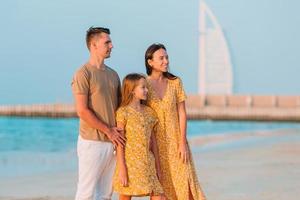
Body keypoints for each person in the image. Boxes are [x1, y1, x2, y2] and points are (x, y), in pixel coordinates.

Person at [144, 43, 206, 200]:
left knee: (188, 185)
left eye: (167, 57)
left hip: (177, 143)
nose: (166, 61)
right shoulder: (143, 85)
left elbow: (182, 113)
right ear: (150, 62)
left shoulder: (175, 82)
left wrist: (182, 142)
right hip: (155, 145)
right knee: (160, 189)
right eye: (161, 58)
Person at [71, 26, 126, 200]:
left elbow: (120, 109)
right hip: (91, 142)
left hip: (112, 143)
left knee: (105, 194)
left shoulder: (113, 75)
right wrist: (108, 130)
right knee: (86, 193)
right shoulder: (83, 73)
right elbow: (82, 110)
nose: (112, 46)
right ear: (93, 45)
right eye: (107, 42)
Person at [113, 73, 165, 200]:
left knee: (158, 195)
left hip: (148, 162)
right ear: (132, 90)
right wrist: (122, 168)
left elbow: (153, 141)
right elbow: (120, 143)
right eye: (143, 87)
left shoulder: (149, 112)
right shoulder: (123, 112)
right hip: (129, 163)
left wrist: (158, 167)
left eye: (146, 87)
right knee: (126, 194)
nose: (146, 90)